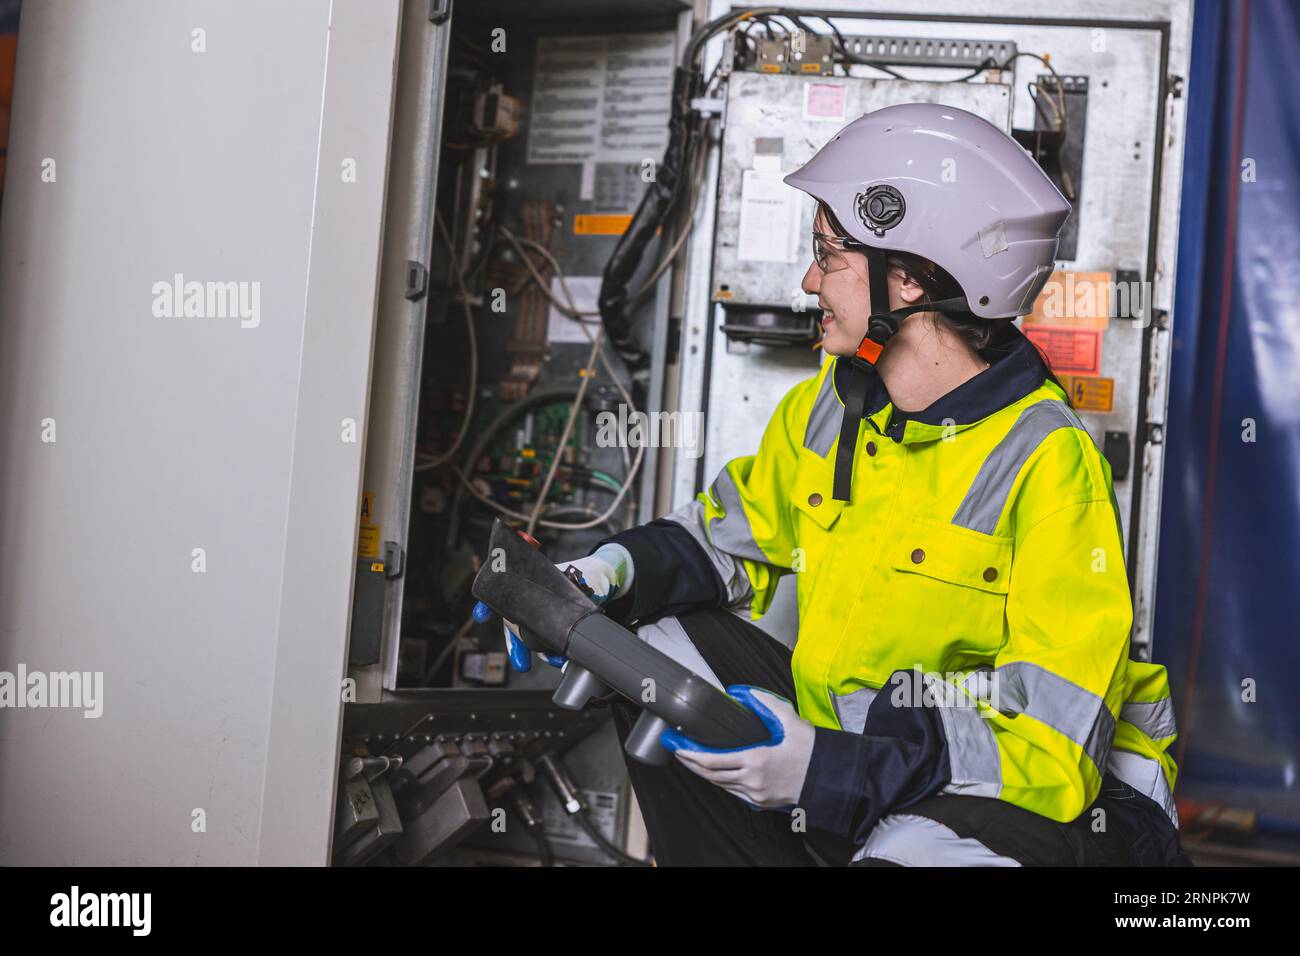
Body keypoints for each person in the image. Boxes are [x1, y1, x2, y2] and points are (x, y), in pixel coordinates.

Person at [501, 103, 1189, 866]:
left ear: (914, 279)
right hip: (868, 760)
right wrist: (603, 577)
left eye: (828, 255)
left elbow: (1053, 748)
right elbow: (730, 541)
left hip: (1055, 802)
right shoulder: (832, 405)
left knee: (912, 857)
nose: (807, 279)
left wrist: (829, 771)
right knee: (649, 647)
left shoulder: (1050, 463)